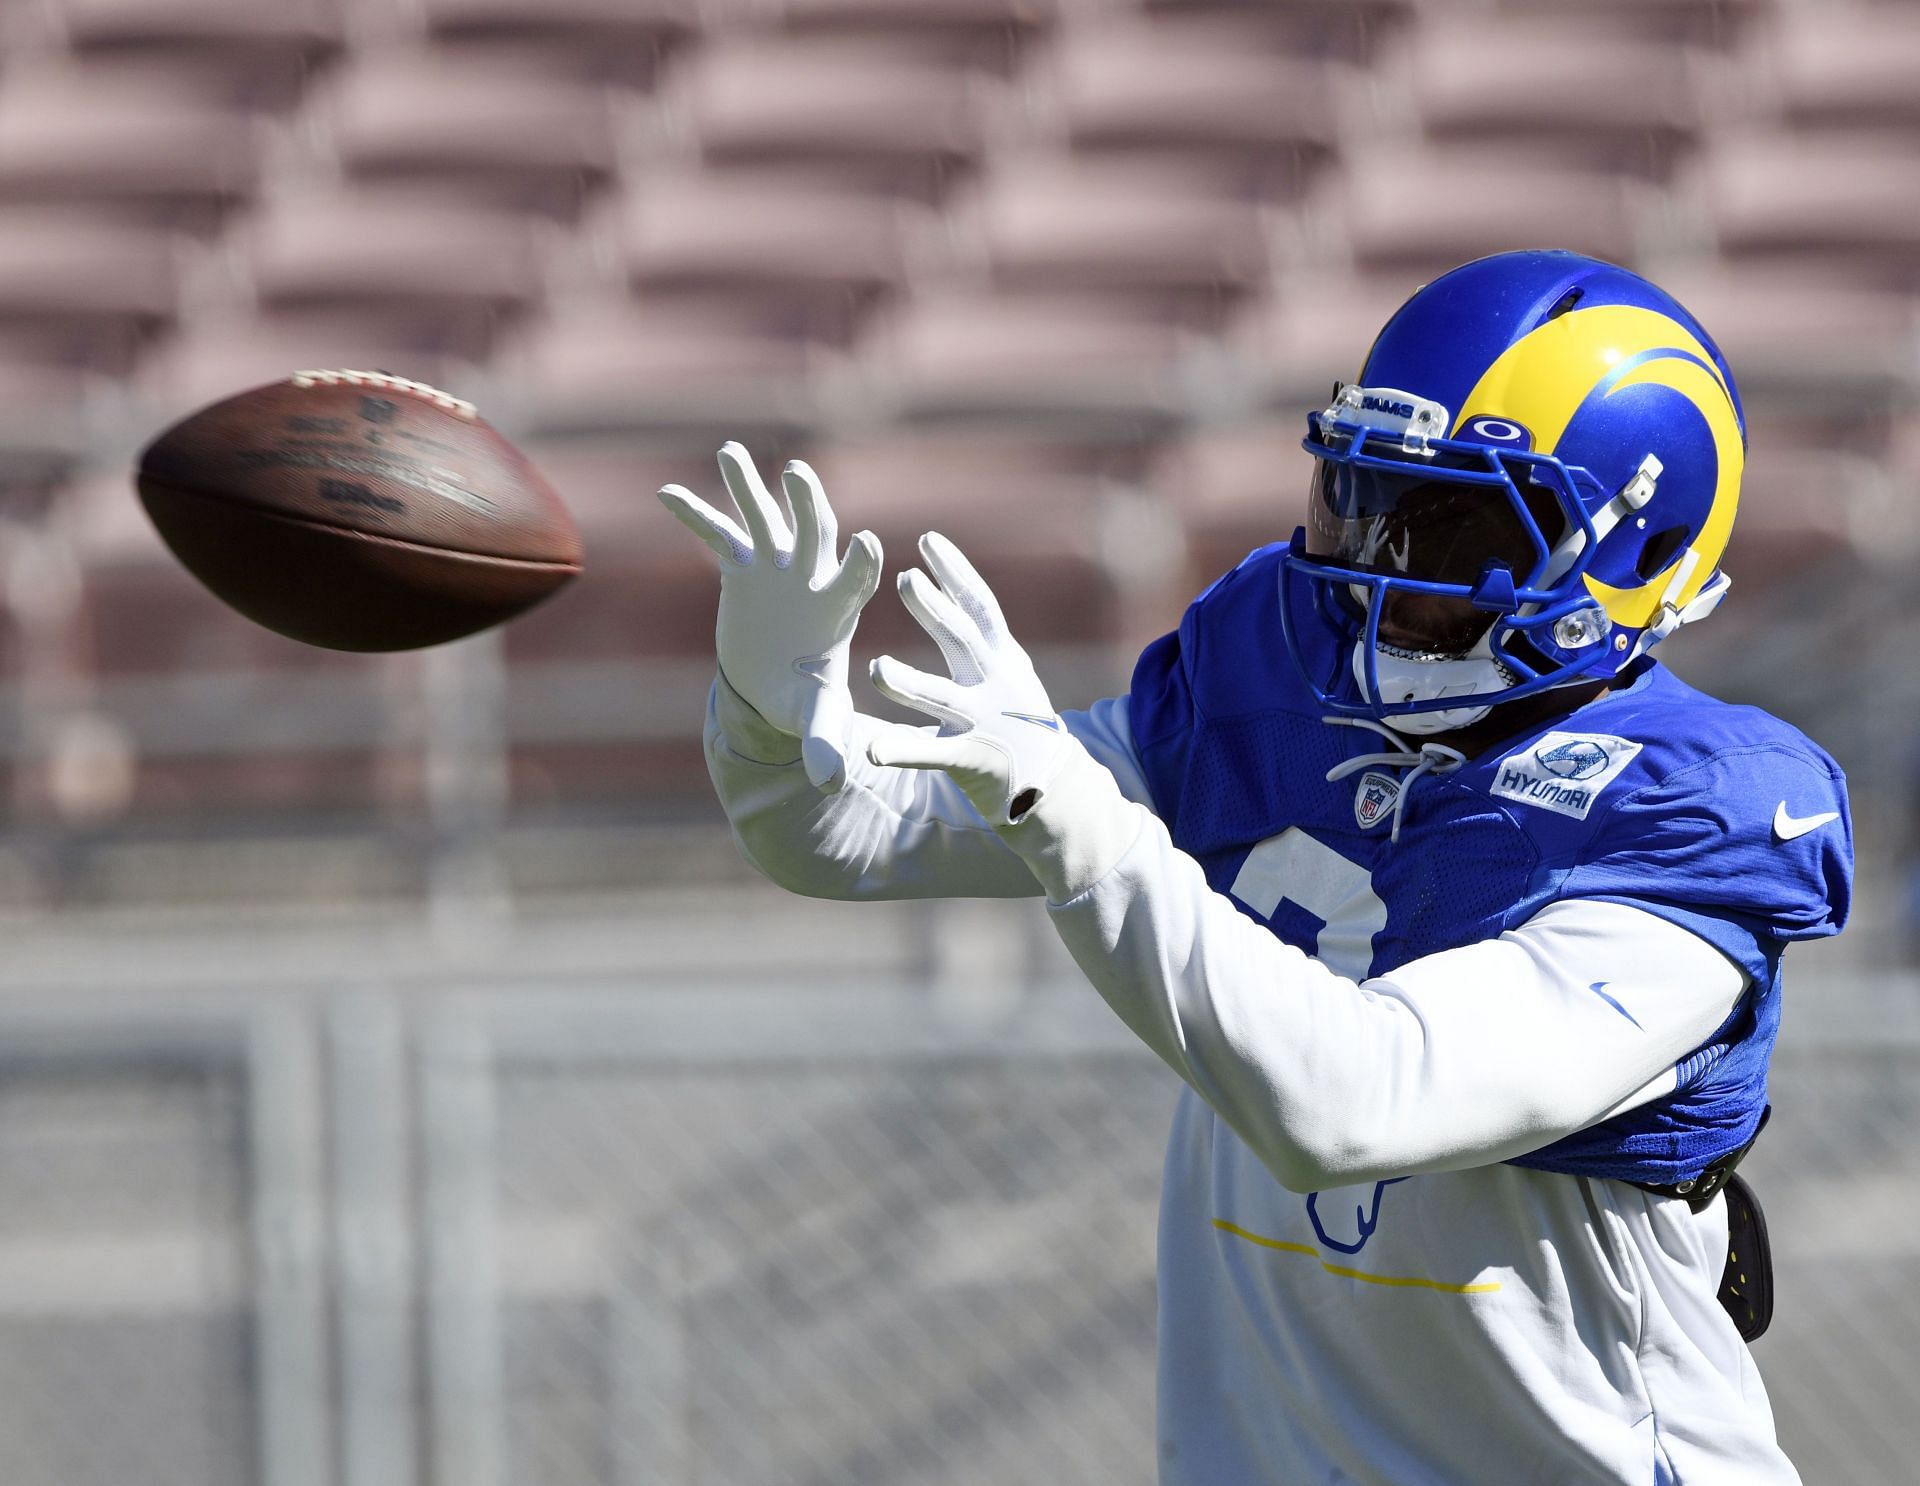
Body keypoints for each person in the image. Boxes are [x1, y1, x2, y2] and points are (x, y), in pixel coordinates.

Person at [659, 250, 1852, 1485]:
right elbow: (846, 836)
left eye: (1453, 526)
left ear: (1631, 547)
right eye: (1367, 499)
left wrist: (1082, 824)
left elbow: (1355, 1103)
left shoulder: (1689, 817)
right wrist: (775, 699)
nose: (1382, 573)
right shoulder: (1277, 670)